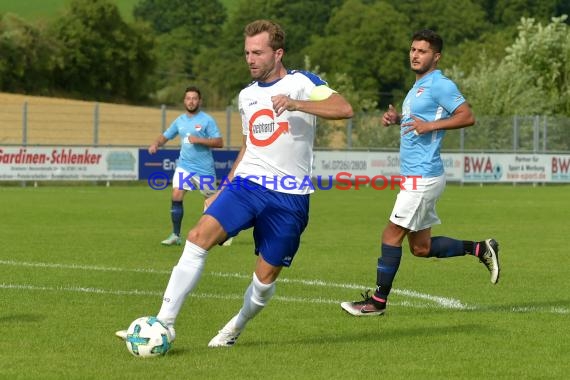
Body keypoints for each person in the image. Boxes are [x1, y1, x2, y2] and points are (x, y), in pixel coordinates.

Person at [116, 20, 353, 346]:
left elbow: (344, 108)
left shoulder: (302, 83)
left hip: (290, 197)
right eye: (247, 53)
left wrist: (297, 104)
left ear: (278, 53)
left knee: (264, 279)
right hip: (247, 185)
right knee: (198, 237)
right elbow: (248, 146)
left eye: (258, 52)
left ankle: (235, 327)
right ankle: (165, 323)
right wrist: (223, 188)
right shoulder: (247, 96)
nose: (250, 59)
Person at [341, 29, 500, 317]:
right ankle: (480, 249)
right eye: (413, 49)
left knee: (391, 235)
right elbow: (421, 120)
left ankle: (376, 303)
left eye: (422, 51)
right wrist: (398, 119)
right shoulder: (417, 88)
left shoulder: (439, 84)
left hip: (423, 177)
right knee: (421, 248)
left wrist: (430, 127)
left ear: (436, 57)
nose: (415, 54)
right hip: (418, 177)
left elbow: (467, 116)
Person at [147, 86, 231, 247]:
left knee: (212, 204)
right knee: (176, 194)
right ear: (184, 101)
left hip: (204, 169)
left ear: (200, 101)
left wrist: (200, 140)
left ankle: (225, 233)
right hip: (184, 166)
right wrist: (156, 144)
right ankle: (176, 235)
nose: (191, 101)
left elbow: (219, 142)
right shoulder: (180, 121)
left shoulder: (207, 120)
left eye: (194, 98)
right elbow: (166, 135)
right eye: (188, 98)